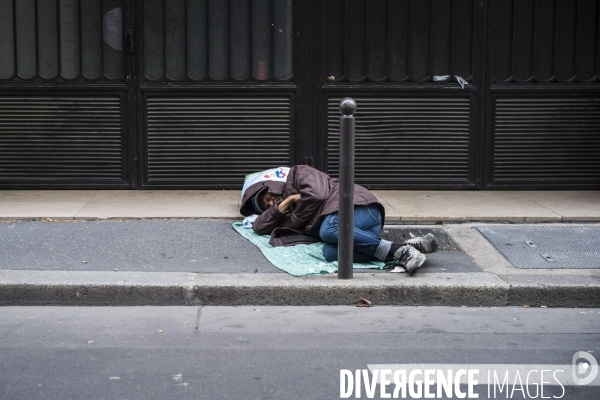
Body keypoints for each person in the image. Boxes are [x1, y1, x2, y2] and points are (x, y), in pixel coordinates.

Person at [240, 165, 438, 275]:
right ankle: (404, 248)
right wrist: (284, 205)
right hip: (359, 232)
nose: (271, 203)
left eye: (268, 198)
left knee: (328, 229)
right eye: (268, 207)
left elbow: (317, 195)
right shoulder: (289, 207)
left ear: (272, 186)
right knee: (331, 251)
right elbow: (259, 227)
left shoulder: (298, 174)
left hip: (361, 209)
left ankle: (401, 251)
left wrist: (294, 216)